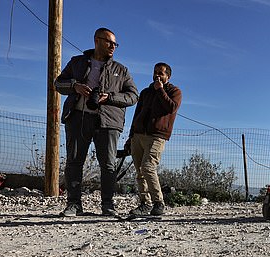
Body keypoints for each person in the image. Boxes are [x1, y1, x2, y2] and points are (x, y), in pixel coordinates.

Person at [55, 27, 138, 217]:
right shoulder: (76, 62)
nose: (113, 46)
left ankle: (108, 205)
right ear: (97, 40)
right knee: (74, 162)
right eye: (109, 42)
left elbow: (133, 96)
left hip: (109, 122)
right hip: (78, 118)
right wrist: (75, 86)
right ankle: (73, 205)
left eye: (115, 44)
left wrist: (109, 97)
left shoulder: (121, 70)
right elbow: (58, 83)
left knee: (108, 164)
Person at [126, 62, 182, 216]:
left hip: (157, 136)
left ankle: (158, 202)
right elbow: (137, 114)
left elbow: (171, 108)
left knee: (148, 167)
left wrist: (160, 91)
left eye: (161, 73)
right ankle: (145, 204)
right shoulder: (145, 93)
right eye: (155, 72)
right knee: (139, 171)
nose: (157, 75)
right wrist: (130, 137)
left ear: (167, 77)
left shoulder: (174, 91)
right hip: (138, 135)